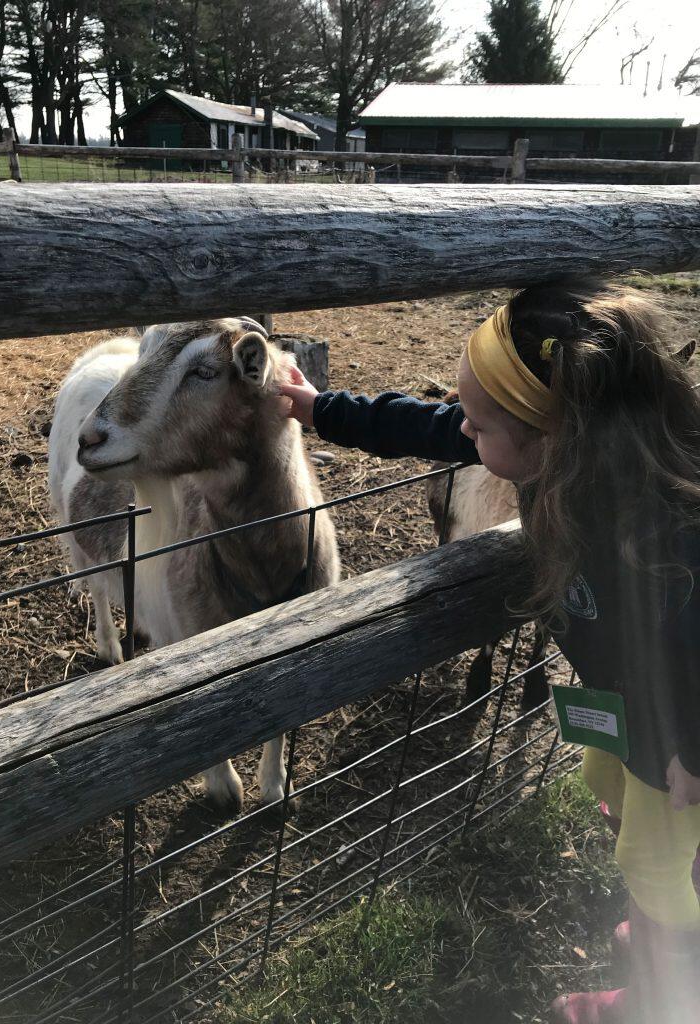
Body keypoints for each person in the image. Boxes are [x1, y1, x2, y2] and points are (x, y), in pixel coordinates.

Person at [279, 278, 700, 1024]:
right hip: (627, 714)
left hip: (676, 750)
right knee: (634, 832)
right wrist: (320, 408)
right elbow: (432, 424)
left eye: (479, 425)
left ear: (551, 434)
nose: (463, 435)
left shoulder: (663, 523)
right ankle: (664, 912)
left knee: (661, 869)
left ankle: (657, 996)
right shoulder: (566, 443)